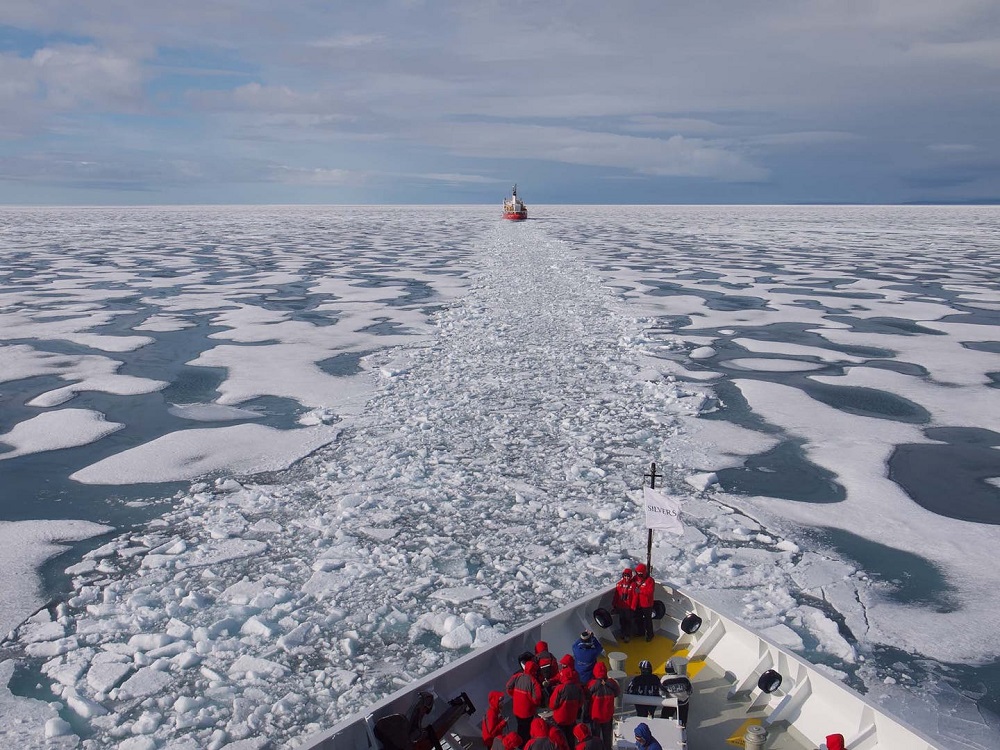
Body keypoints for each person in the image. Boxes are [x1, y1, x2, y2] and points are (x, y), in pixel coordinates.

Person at [550, 659, 587, 748]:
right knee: (570, 736)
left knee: (561, 737)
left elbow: (552, 705)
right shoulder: (578, 688)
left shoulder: (559, 688)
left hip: (560, 718)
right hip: (571, 717)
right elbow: (581, 701)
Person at [506, 659, 543, 743]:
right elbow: (537, 698)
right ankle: (526, 744)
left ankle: (519, 742)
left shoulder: (517, 676)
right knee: (527, 729)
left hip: (516, 709)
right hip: (527, 712)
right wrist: (534, 704)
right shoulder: (533, 682)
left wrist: (513, 694)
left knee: (520, 727)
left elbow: (508, 686)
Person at [585, 662, 619, 750]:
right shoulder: (612, 683)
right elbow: (617, 693)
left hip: (595, 716)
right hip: (607, 715)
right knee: (607, 737)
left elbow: (586, 697)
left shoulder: (591, 684)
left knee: (596, 737)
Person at [659, 660, 692, 726]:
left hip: (670, 703)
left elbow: (661, 693)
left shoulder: (664, 679)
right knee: (682, 721)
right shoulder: (684, 678)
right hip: (683, 703)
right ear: (676, 668)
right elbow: (690, 691)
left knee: (665, 719)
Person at [633, 563, 656, 641]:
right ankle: (640, 632)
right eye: (638, 572)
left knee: (648, 620)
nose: (639, 574)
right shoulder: (635, 578)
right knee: (638, 618)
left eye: (640, 573)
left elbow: (650, 592)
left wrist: (640, 591)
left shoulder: (650, 580)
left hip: (647, 604)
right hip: (638, 603)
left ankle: (650, 635)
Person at [612, 568, 635, 642]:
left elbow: (635, 597)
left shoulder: (633, 585)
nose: (626, 577)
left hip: (629, 607)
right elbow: (616, 595)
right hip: (621, 606)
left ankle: (627, 635)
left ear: (630, 576)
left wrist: (633, 606)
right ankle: (622, 633)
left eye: (628, 576)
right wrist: (614, 604)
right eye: (625, 576)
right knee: (622, 621)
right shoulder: (619, 584)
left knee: (628, 621)